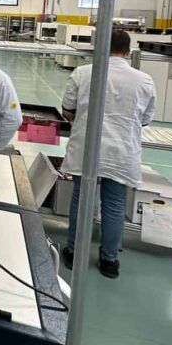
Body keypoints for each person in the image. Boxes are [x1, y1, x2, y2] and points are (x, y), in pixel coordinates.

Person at [60, 30, 156, 279]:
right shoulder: (144, 80)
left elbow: (67, 109)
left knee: (82, 199)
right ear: (128, 51)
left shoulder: (83, 73)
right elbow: (145, 119)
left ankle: (74, 252)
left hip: (88, 146)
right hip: (121, 151)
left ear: (100, 46)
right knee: (114, 204)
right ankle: (109, 260)